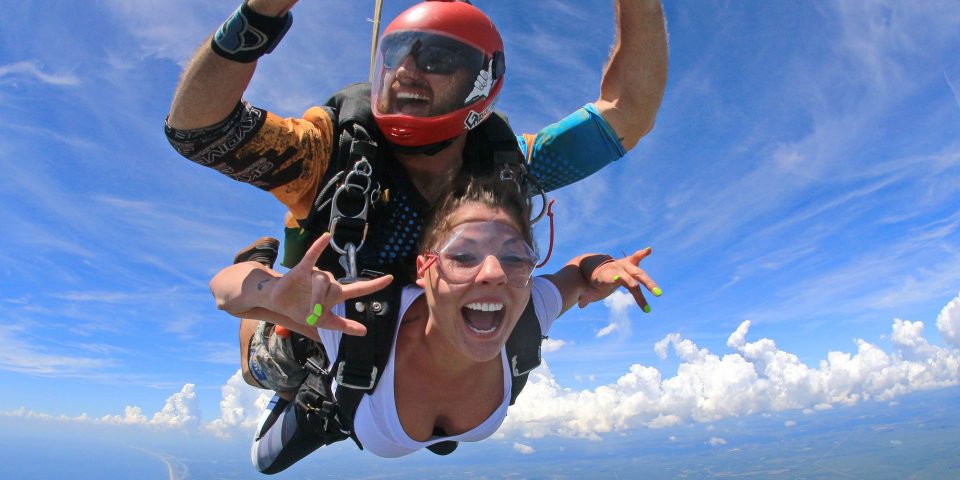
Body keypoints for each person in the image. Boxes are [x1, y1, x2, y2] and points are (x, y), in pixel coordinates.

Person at [165, 0, 667, 402]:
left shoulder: (509, 166)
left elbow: (628, 113)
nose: (406, 70)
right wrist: (260, 13)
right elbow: (197, 130)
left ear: (481, 80)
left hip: (419, 342)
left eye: (436, 58)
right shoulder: (329, 150)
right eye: (398, 55)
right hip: (316, 324)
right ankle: (257, 261)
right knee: (265, 368)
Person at [211, 174, 660, 470]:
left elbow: (577, 271)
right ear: (426, 269)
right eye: (464, 256)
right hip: (339, 376)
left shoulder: (528, 309)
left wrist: (600, 268)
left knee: (441, 442)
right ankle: (296, 373)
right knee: (261, 392)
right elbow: (225, 292)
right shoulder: (357, 316)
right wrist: (271, 290)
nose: (494, 274)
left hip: (388, 412)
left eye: (515, 256)